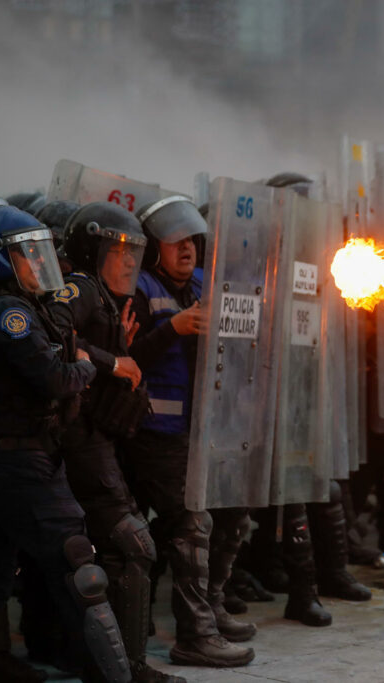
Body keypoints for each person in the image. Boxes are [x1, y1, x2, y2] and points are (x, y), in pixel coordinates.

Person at [0, 205, 132, 683]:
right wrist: (86, 363)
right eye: (28, 255)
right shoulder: (8, 312)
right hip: (20, 464)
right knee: (81, 572)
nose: (39, 264)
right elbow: (57, 378)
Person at [48, 203, 192, 681]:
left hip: (99, 439)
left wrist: (120, 350)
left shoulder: (107, 301)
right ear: (93, 249)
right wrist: (114, 361)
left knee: (113, 550)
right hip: (79, 440)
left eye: (136, 252)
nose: (130, 261)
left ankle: (110, 665)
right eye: (119, 250)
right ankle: (124, 667)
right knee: (133, 544)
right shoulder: (83, 289)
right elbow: (49, 331)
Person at [123, 196, 258, 665]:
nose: (187, 250)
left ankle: (213, 607)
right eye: (175, 241)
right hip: (154, 432)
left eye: (192, 241)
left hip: (206, 428)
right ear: (154, 247)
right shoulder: (137, 288)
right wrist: (174, 329)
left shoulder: (204, 283)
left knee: (235, 508)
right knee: (191, 520)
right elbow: (126, 360)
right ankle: (194, 635)